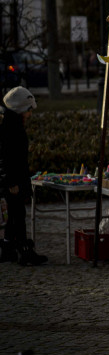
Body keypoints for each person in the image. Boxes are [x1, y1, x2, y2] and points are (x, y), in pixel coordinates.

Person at [0, 87, 47, 265]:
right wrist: (11, 181)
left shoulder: (11, 124)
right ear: (20, 109)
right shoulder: (10, 127)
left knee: (14, 214)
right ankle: (23, 251)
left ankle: (8, 248)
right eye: (29, 110)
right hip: (14, 179)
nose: (30, 114)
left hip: (15, 177)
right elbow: (7, 156)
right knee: (17, 214)